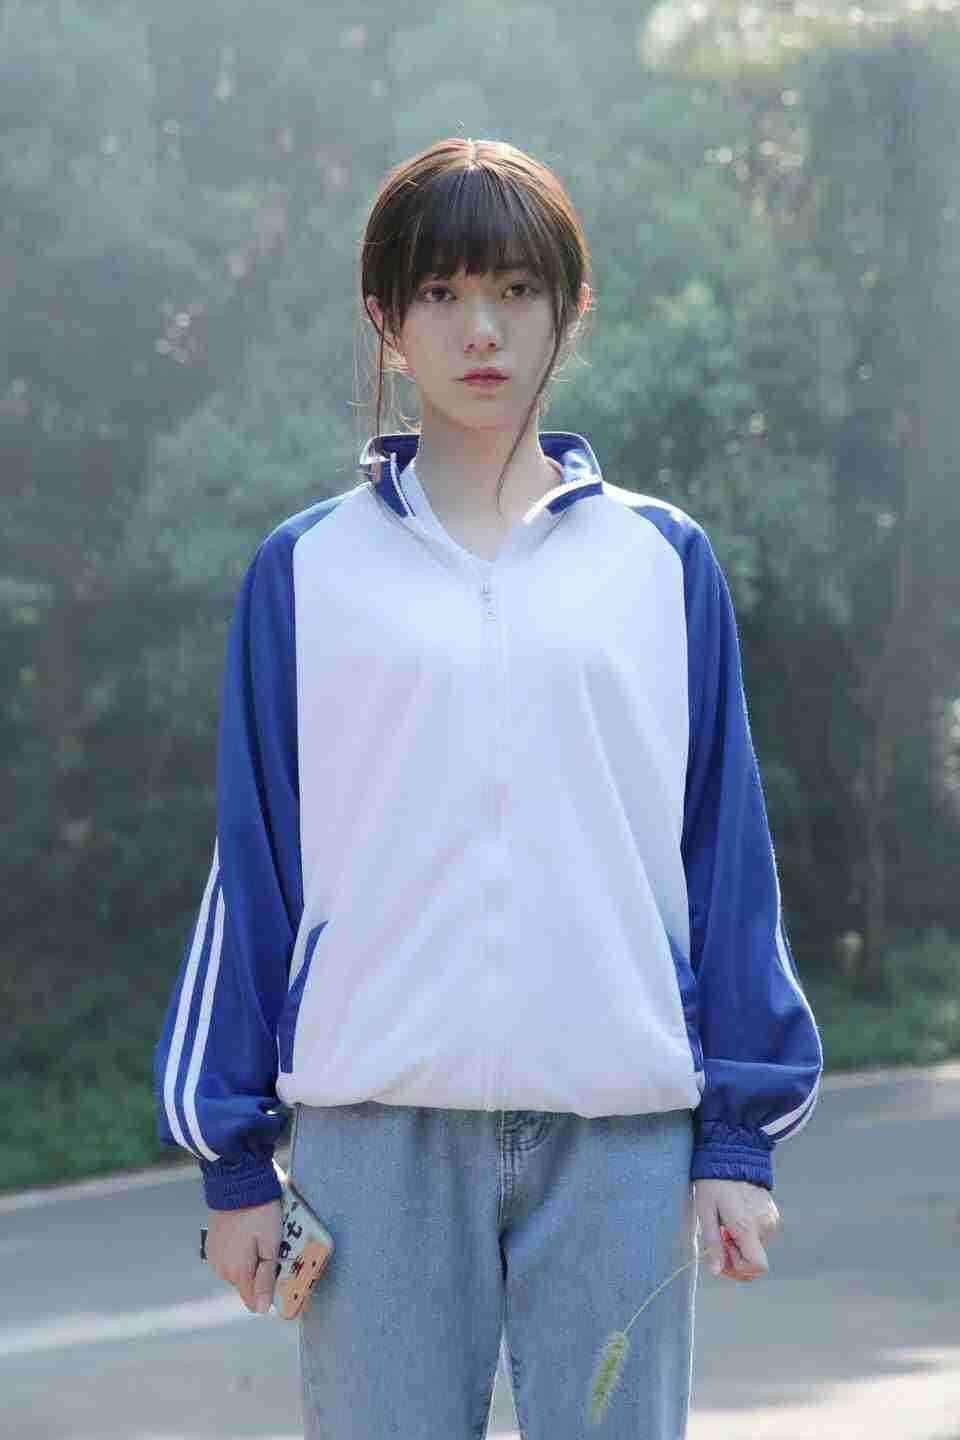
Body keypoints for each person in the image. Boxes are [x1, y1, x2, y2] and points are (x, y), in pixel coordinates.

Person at [154, 136, 824, 1439]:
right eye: (443, 291)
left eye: (517, 291)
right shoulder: (305, 572)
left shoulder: (660, 562)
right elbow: (255, 867)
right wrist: (233, 1160)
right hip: (373, 1137)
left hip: (619, 1130)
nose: (482, 329)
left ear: (569, 308)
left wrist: (739, 1139)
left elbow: (726, 854)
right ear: (386, 318)